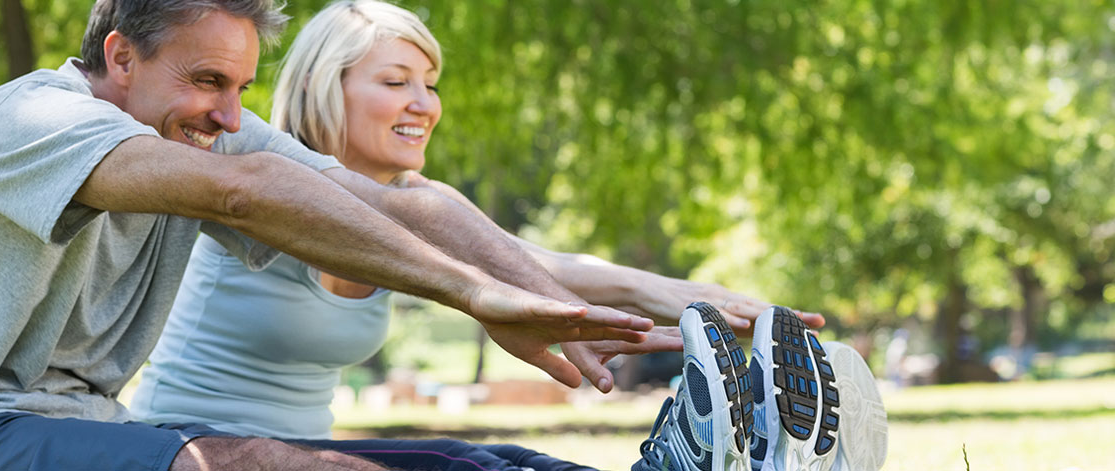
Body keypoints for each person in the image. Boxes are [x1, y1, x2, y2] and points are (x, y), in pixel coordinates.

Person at [0, 1, 666, 470]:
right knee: (253, 467)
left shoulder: (198, 127)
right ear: (121, 57)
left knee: (475, 464)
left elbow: (393, 202)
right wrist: (473, 293)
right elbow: (245, 192)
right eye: (206, 80)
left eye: (241, 87)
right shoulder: (33, 120)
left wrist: (540, 301)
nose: (229, 115)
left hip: (86, 427)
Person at [129, 2, 831, 470]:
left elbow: (531, 263)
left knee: (523, 462)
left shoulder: (417, 203)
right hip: (196, 450)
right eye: (396, 81)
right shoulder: (260, 175)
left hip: (308, 450)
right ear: (324, 87)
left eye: (430, 84)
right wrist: (665, 300)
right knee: (470, 466)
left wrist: (689, 298)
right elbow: (501, 268)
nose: (423, 104)